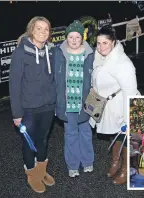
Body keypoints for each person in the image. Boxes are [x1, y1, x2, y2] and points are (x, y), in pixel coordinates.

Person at [9, 16, 56, 193]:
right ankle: (31, 175)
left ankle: (41, 171)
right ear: (31, 30)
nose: (43, 32)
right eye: (39, 28)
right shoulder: (21, 53)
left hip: (47, 107)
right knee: (29, 144)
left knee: (43, 140)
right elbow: (14, 85)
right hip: (27, 109)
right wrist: (16, 114)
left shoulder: (51, 52)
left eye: (46, 29)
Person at [89, 25, 140, 185]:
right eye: (98, 43)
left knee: (124, 136)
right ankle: (115, 162)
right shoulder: (99, 56)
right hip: (107, 106)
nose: (101, 47)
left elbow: (130, 92)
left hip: (121, 104)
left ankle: (126, 169)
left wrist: (127, 117)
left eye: (105, 43)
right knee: (114, 134)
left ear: (113, 42)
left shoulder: (123, 63)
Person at [52, 20, 94, 177]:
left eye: (77, 36)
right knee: (70, 135)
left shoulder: (91, 53)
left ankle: (88, 162)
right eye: (71, 37)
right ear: (66, 38)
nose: (74, 40)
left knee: (85, 132)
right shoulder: (58, 53)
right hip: (67, 103)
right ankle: (73, 165)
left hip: (85, 103)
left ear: (82, 38)